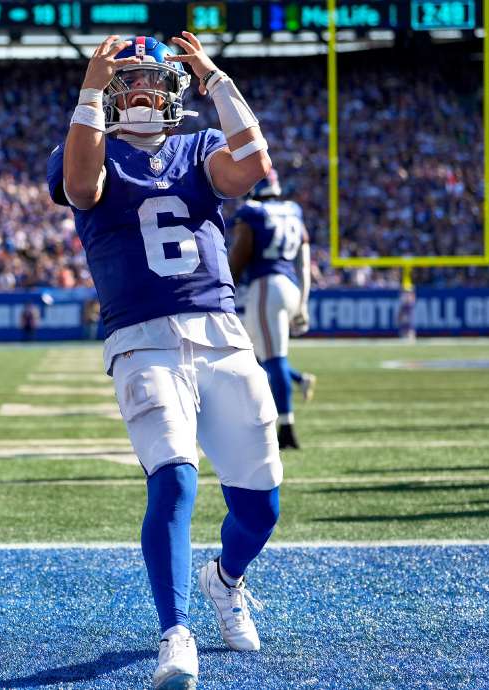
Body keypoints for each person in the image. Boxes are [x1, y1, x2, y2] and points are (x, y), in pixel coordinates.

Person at [47, 34, 282, 689]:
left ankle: (225, 578)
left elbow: (253, 164)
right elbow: (81, 186)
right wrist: (91, 90)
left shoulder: (199, 145)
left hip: (221, 330)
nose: (144, 94)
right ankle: (175, 636)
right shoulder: (87, 143)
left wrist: (219, 81)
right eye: (129, 84)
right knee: (174, 477)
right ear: (111, 94)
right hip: (140, 338)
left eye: (154, 82)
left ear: (176, 92)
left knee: (262, 507)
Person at [228, 169, 316, 449]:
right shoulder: (293, 210)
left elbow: (239, 255)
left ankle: (287, 427)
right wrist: (302, 302)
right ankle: (298, 382)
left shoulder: (252, 213)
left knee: (273, 358)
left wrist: (225, 287)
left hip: (267, 287)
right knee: (258, 353)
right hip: (289, 286)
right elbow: (304, 262)